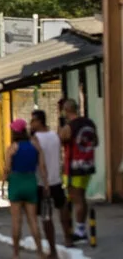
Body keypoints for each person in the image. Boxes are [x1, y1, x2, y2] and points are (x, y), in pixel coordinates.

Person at [4, 118, 48, 259]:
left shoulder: (12, 148)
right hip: (30, 181)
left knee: (16, 221)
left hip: (16, 182)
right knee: (33, 220)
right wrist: (46, 184)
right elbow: (42, 167)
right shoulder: (35, 145)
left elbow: (6, 168)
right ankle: (40, 252)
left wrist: (3, 182)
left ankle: (16, 254)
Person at [30, 109, 70, 256]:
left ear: (39, 121)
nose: (31, 124)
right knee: (62, 207)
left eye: (33, 121)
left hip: (42, 183)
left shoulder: (35, 139)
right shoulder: (55, 136)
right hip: (56, 180)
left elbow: (38, 162)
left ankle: (52, 250)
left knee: (46, 217)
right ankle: (68, 237)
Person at [59, 98, 98, 244]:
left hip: (74, 167)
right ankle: (80, 228)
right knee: (81, 196)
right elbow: (96, 141)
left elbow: (61, 139)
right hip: (88, 165)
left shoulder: (70, 126)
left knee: (76, 198)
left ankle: (80, 231)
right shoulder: (89, 123)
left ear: (66, 110)